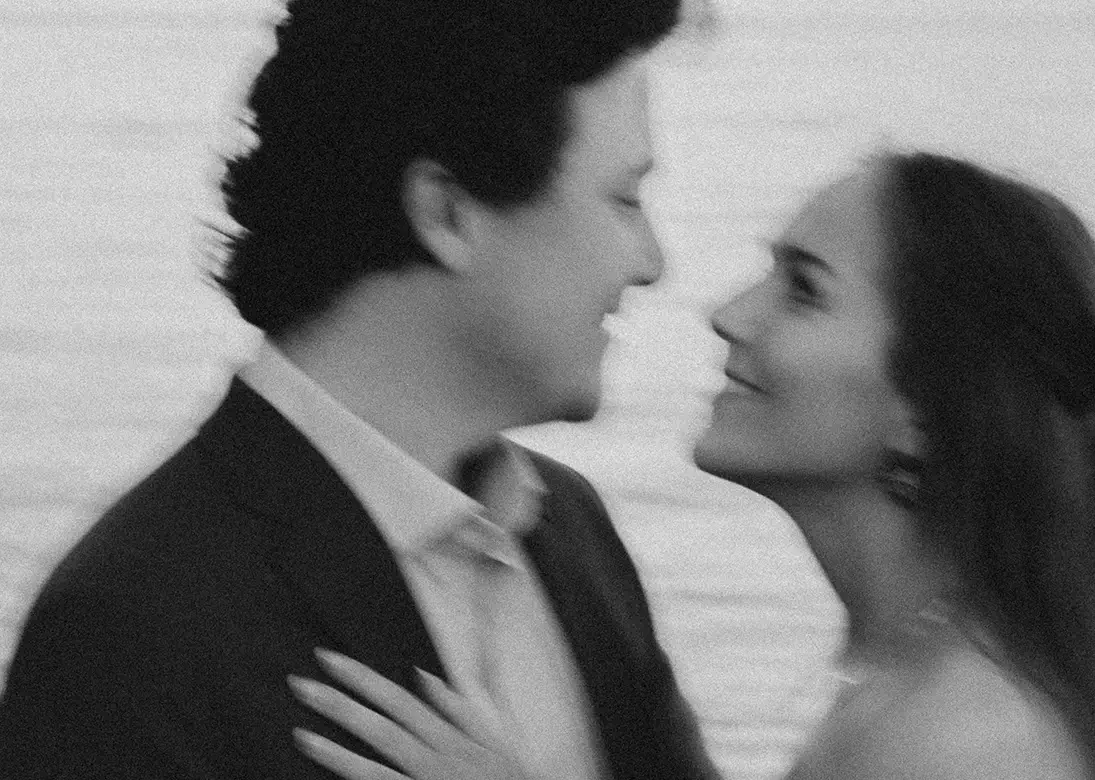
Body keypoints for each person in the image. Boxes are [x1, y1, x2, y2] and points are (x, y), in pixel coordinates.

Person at [0, 1, 722, 779]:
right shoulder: (132, 628)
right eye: (624, 198)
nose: (651, 264)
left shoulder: (573, 533)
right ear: (447, 213)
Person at [289, 152, 1095, 780]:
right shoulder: (935, 677)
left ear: (929, 409)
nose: (730, 314)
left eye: (804, 290)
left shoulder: (959, 741)